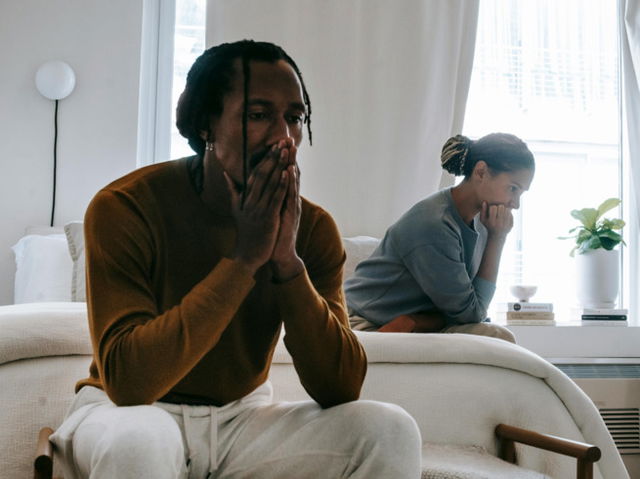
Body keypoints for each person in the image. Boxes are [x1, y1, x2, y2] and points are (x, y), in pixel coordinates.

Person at [50, 40, 421, 479]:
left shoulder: (313, 228)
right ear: (207, 123)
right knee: (141, 442)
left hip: (241, 419)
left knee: (389, 429)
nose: (284, 137)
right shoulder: (125, 206)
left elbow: (340, 386)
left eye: (295, 118)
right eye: (258, 115)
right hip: (126, 413)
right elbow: (131, 383)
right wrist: (244, 259)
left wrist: (286, 261)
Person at [345, 133, 535, 342]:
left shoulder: (482, 221)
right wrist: (498, 239)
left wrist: (417, 321)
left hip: (411, 322)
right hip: (365, 322)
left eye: (520, 193)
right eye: (513, 189)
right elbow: (472, 313)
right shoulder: (434, 223)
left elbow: (470, 310)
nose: (515, 204)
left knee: (494, 336)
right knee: (495, 335)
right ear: (481, 172)